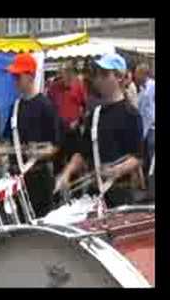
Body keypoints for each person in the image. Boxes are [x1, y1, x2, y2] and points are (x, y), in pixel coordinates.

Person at [56, 53, 144, 208]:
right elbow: (82, 153)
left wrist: (117, 170)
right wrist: (67, 172)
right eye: (98, 74)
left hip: (120, 195)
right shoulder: (94, 115)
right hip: (94, 195)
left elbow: (138, 157)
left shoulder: (131, 114)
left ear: (119, 77)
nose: (99, 78)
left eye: (105, 74)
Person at [5, 53, 62, 218]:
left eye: (18, 76)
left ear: (31, 76)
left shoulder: (46, 106)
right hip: (19, 179)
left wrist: (38, 152)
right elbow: (9, 141)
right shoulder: (15, 107)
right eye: (13, 76)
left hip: (40, 178)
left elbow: (55, 145)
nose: (14, 80)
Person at [47, 61, 86, 167]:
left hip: (73, 130)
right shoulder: (54, 87)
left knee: (73, 159)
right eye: (64, 73)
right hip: (58, 130)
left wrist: (79, 120)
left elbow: (86, 106)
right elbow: (49, 107)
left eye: (69, 73)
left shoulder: (79, 85)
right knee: (57, 162)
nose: (67, 77)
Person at [135, 63, 155, 174]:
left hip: (152, 127)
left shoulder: (152, 86)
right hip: (145, 128)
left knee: (152, 156)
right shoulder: (142, 89)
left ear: (143, 74)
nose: (135, 76)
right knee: (147, 156)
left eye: (137, 73)